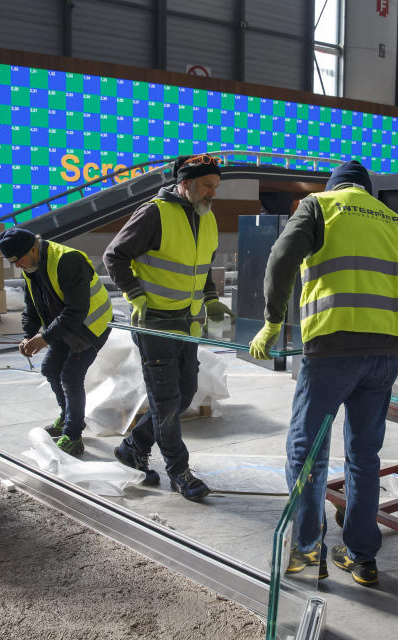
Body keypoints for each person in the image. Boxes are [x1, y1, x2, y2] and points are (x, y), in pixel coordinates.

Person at [249, 160, 398, 587]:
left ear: (334, 186)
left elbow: (281, 258)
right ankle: (363, 558)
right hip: (385, 353)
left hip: (332, 350)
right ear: (368, 191)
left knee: (307, 452)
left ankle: (309, 553)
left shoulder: (319, 206)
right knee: (365, 457)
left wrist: (273, 321)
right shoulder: (396, 221)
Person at [103, 153, 234, 501]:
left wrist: (210, 298)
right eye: (207, 185)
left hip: (188, 324)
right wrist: (135, 295)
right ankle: (179, 471)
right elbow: (114, 256)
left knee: (186, 392)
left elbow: (202, 265)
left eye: (216, 186)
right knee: (166, 401)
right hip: (155, 323)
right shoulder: (154, 213)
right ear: (186, 184)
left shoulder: (206, 218)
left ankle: (133, 446)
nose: (213, 193)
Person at [0, 227, 113, 456]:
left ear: (33, 247)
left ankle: (73, 435)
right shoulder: (31, 265)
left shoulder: (67, 260)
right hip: (63, 325)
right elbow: (32, 305)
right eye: (13, 262)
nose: (17, 265)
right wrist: (28, 335)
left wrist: (45, 338)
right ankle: (67, 416)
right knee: (50, 368)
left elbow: (77, 310)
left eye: (19, 260)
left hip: (90, 325)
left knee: (70, 375)